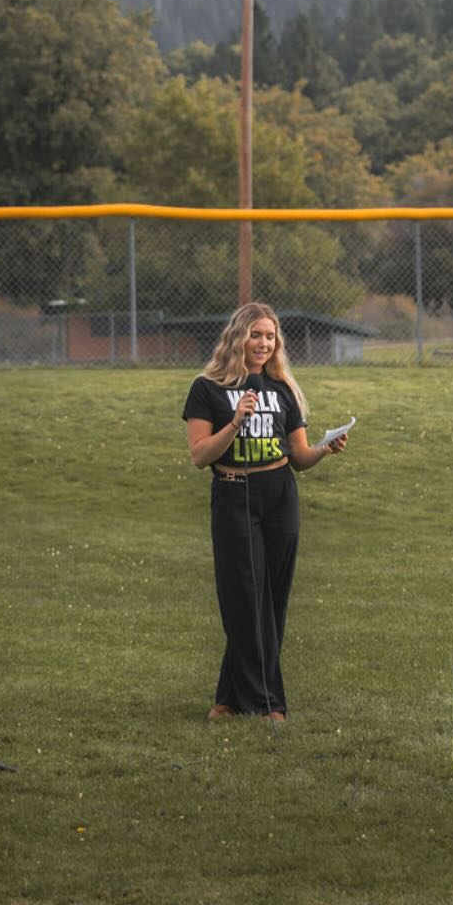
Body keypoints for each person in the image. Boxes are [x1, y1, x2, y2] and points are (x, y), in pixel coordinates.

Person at [182, 302, 350, 722]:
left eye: (270, 336)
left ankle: (230, 698)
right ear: (237, 336)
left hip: (280, 496)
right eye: (255, 334)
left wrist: (325, 450)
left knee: (271, 602)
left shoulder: (282, 389)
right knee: (244, 600)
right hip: (235, 493)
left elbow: (299, 456)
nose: (263, 343)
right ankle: (267, 703)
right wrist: (235, 422)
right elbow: (201, 456)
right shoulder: (206, 389)